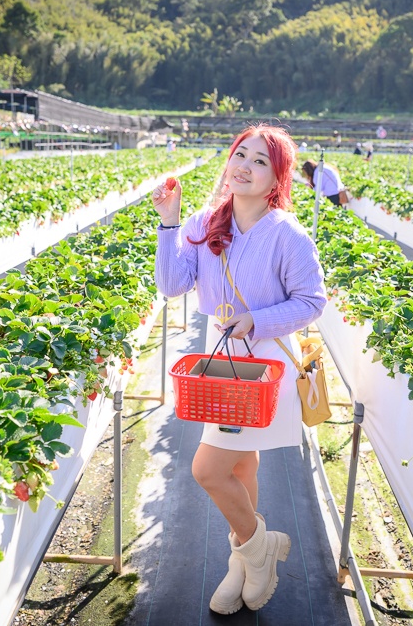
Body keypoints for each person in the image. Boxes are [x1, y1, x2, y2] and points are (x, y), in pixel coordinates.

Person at [152, 124, 327, 615]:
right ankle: (249, 559)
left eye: (259, 161)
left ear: (277, 179)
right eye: (240, 155)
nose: (244, 167)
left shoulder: (288, 234)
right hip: (222, 357)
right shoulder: (206, 221)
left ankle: (255, 548)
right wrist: (169, 222)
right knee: (241, 464)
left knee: (209, 468)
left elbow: (312, 301)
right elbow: (172, 284)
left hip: (264, 363)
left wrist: (258, 320)